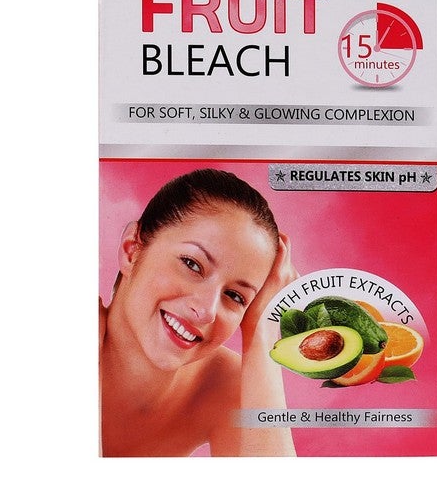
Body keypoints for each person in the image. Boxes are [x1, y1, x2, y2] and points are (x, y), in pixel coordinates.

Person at [99, 168, 297, 456]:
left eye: (235, 296)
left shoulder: (225, 387)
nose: (206, 310)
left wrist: (262, 335)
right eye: (192, 264)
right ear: (132, 250)